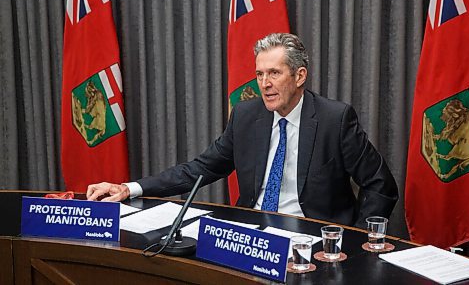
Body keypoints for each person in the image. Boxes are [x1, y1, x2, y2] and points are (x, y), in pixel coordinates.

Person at [87, 33, 398, 228]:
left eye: (274, 73)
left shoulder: (335, 119)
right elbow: (200, 168)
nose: (264, 83)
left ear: (300, 76)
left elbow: (380, 184)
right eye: (260, 74)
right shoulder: (247, 115)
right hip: (252, 234)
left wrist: (358, 239)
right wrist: (130, 188)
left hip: (312, 238)